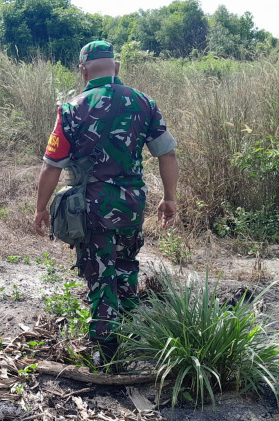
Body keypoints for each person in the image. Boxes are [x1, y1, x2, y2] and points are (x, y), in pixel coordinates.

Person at [34, 40, 179, 363]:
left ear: (84, 71)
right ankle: (131, 332)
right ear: (116, 67)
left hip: (94, 207)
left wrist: (41, 207)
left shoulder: (72, 109)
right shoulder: (145, 103)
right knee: (126, 264)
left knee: (100, 273)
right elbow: (166, 153)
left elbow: (51, 165)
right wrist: (170, 199)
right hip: (132, 205)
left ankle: (107, 350)